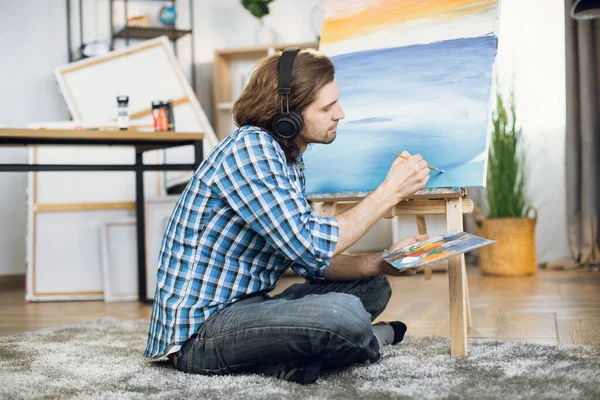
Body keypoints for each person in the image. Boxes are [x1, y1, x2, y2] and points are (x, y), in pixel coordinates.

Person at [143, 48, 431, 385]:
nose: (340, 113)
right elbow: (310, 246)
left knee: (373, 288)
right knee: (343, 314)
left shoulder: (288, 160)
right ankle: (370, 342)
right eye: (326, 108)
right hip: (201, 335)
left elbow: (310, 263)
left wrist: (384, 262)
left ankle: (291, 359)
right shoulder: (251, 150)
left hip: (250, 310)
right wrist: (389, 192)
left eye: (336, 102)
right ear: (287, 115)